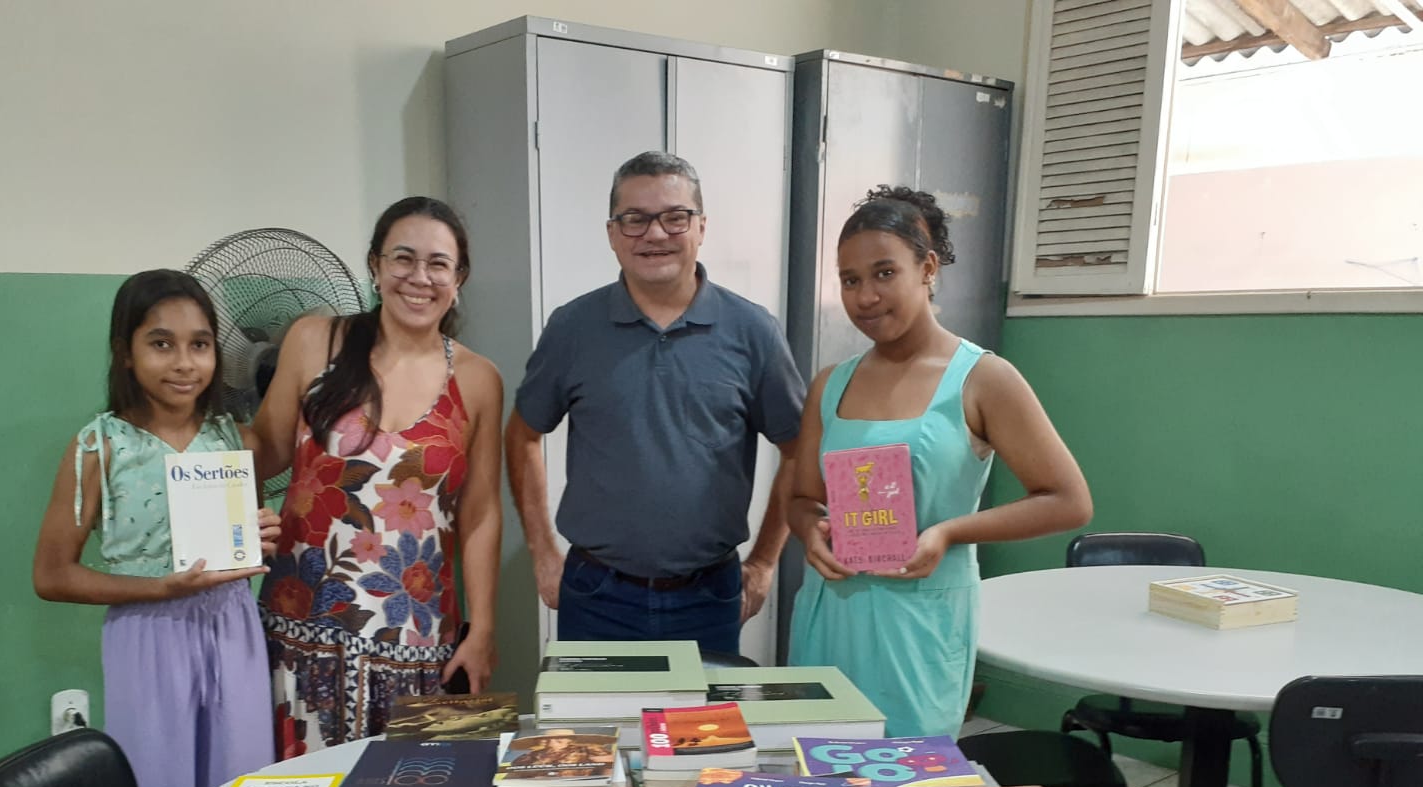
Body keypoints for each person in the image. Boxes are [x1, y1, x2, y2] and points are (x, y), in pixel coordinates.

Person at [788, 186, 1092, 737]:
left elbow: (1068, 501)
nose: (865, 296)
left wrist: (950, 532)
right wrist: (810, 531)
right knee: (817, 783)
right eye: (850, 279)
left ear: (927, 268)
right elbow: (802, 498)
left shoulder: (982, 379)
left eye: (884, 273)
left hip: (920, 624)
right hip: (830, 613)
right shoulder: (830, 385)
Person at [505, 150, 805, 654]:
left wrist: (765, 561)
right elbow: (522, 434)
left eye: (674, 217)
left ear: (701, 227)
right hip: (595, 594)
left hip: (709, 598)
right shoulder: (573, 328)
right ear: (612, 233)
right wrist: (541, 552)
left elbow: (798, 448)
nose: (655, 234)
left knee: (701, 734)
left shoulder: (753, 332)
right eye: (635, 219)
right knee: (594, 734)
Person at [252, 197, 504, 752]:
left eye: (438, 264)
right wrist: (184, 451)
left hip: (419, 641)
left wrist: (481, 630)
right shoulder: (314, 341)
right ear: (374, 266)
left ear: (458, 278)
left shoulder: (479, 379)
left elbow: (481, 512)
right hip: (300, 634)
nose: (420, 277)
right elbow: (263, 450)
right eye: (403, 259)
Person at [33, 269, 280, 787]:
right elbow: (51, 575)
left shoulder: (234, 439)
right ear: (125, 352)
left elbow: (242, 546)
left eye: (200, 345)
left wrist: (262, 531)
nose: (184, 363)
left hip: (232, 626)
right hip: (148, 634)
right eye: (161, 344)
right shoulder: (99, 447)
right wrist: (158, 587)